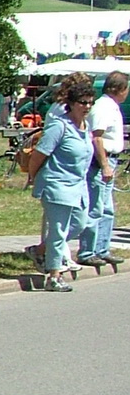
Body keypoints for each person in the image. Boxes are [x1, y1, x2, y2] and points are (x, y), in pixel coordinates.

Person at [28, 79, 96, 292]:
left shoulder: (86, 127)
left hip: (78, 185)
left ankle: (40, 250)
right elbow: (39, 154)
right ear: (72, 103)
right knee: (58, 231)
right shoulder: (60, 126)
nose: (86, 107)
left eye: (89, 103)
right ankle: (54, 276)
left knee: (80, 223)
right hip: (57, 184)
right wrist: (32, 176)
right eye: (82, 102)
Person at [77, 70, 128, 267]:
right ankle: (88, 251)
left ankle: (101, 248)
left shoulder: (112, 107)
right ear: (119, 89)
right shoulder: (103, 107)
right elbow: (96, 136)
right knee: (95, 208)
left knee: (107, 209)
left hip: (111, 160)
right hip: (101, 161)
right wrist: (105, 164)